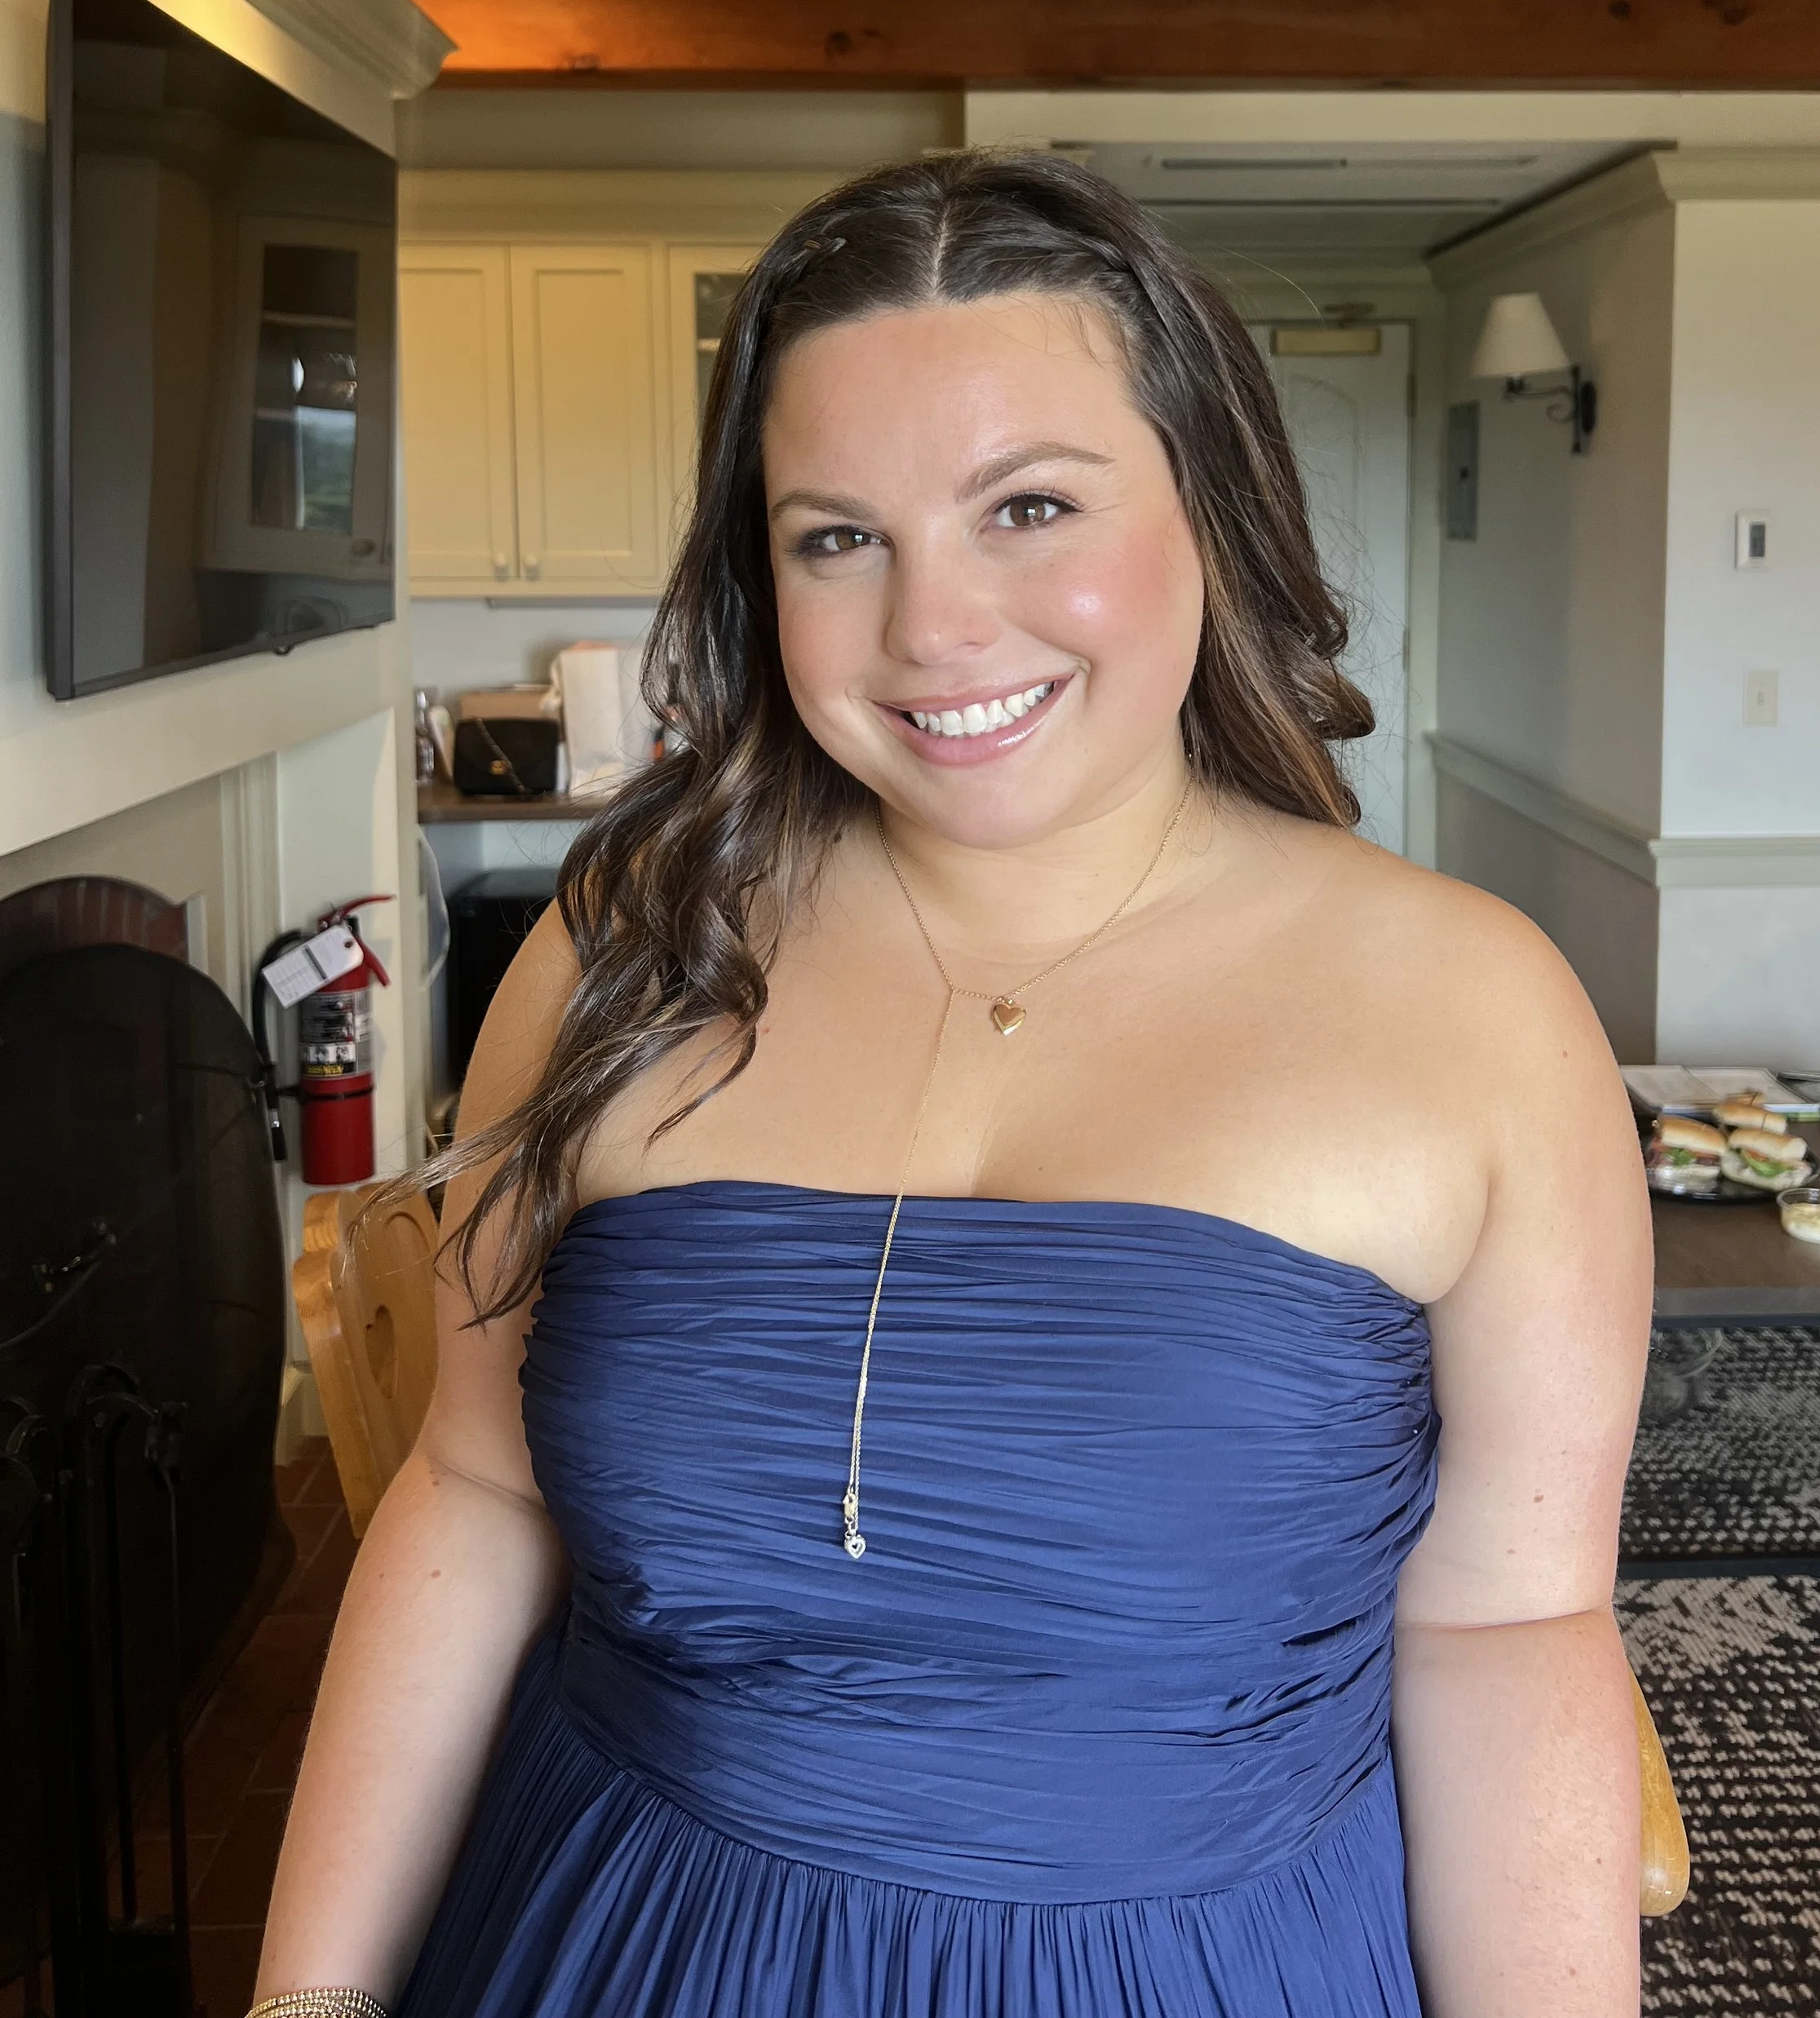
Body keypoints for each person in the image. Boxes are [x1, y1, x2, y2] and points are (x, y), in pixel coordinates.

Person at [250, 151, 1651, 2018]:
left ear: (1208, 510)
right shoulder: (628, 941)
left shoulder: (1475, 1010)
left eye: (1029, 505)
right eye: (837, 535)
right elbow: (474, 1491)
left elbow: (1505, 1628)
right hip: (619, 1941)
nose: (933, 627)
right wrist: (308, 2000)